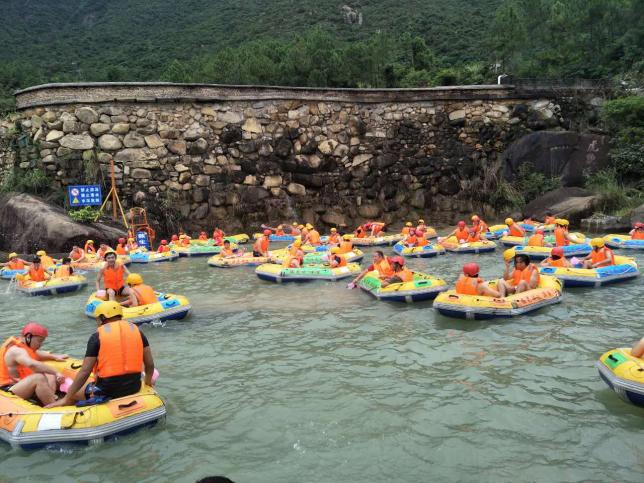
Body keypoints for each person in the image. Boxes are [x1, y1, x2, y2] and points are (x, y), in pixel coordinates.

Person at [47, 301, 155, 408]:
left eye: (98, 318)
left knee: (72, 391)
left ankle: (66, 405)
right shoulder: (138, 332)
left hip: (107, 391)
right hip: (134, 387)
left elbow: (85, 372)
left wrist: (67, 398)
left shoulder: (97, 336)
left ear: (103, 318)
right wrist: (147, 383)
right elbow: (149, 364)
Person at [0, 323, 68, 406]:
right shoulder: (16, 351)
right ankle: (54, 406)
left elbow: (36, 354)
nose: (40, 345)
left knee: (48, 374)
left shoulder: (22, 345)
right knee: (38, 378)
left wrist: (54, 357)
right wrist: (56, 372)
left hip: (19, 383)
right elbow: (32, 365)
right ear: (28, 337)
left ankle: (50, 396)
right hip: (7, 389)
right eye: (39, 341)